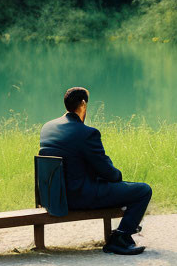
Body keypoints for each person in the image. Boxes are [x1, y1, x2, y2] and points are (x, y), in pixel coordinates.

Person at [39, 87, 152, 255]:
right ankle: (120, 238)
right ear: (83, 104)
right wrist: (118, 176)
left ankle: (124, 234)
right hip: (78, 197)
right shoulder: (86, 133)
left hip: (54, 196)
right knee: (143, 190)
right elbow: (108, 173)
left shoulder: (47, 127)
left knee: (115, 186)